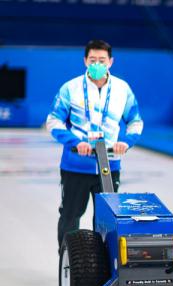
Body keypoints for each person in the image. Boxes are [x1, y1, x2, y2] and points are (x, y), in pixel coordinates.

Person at [46, 39, 143, 250]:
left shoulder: (122, 89)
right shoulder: (70, 88)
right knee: (70, 216)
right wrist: (75, 142)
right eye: (92, 60)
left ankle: (102, 267)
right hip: (75, 165)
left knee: (107, 220)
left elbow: (136, 121)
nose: (97, 64)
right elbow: (53, 121)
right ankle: (68, 262)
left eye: (102, 60)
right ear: (85, 61)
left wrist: (125, 142)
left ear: (111, 62)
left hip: (109, 165)